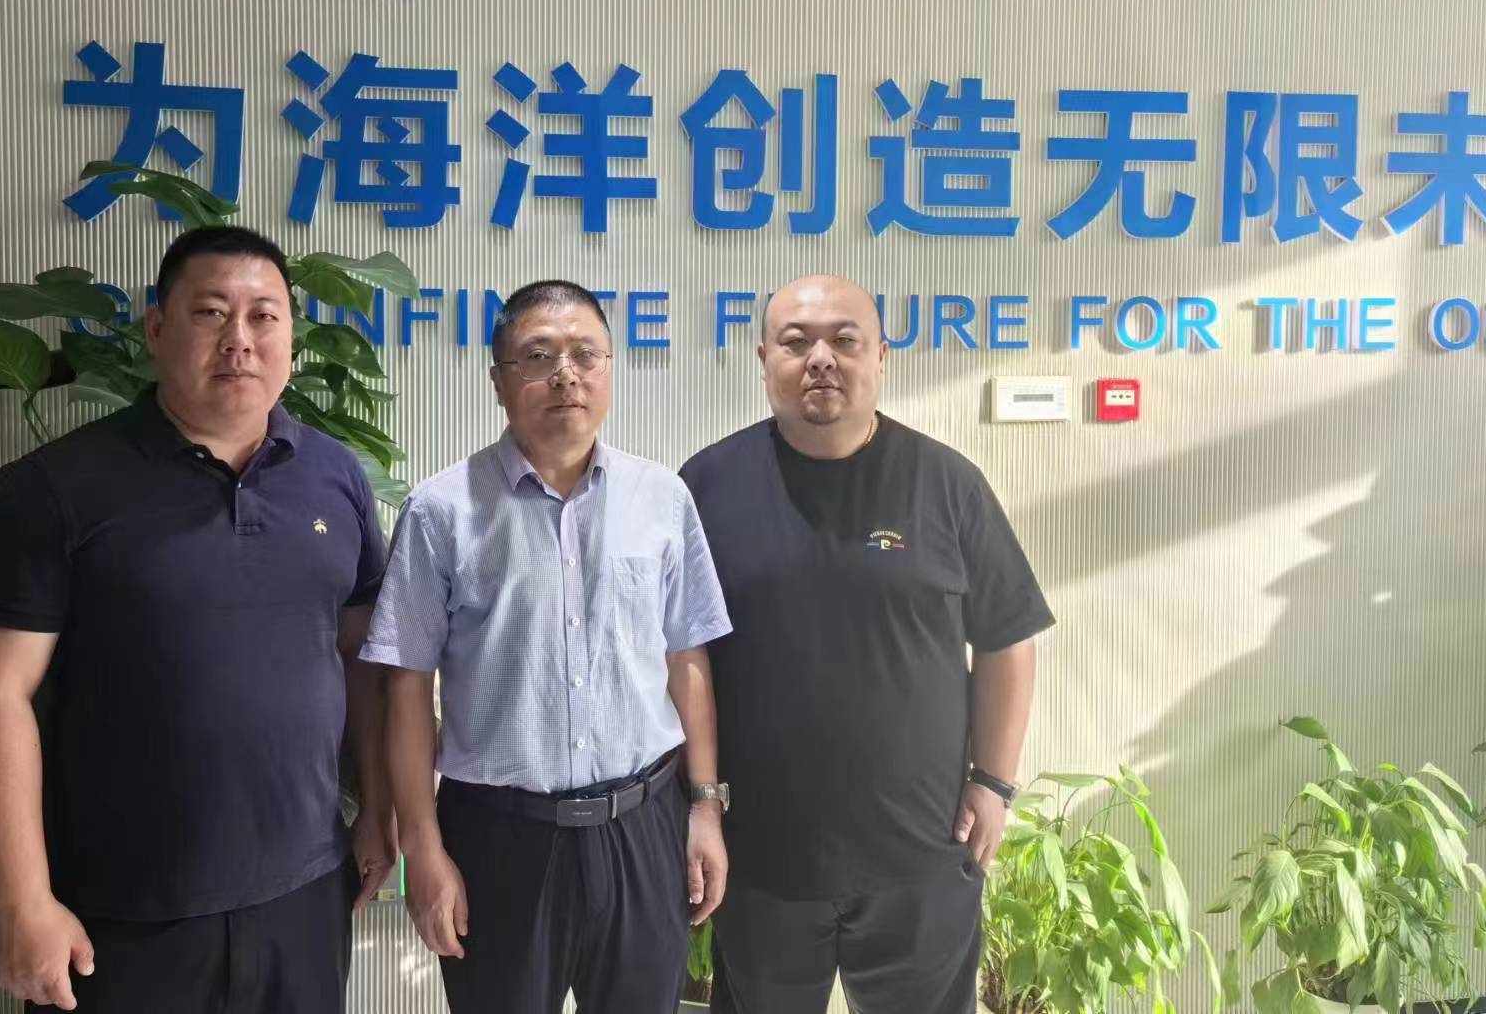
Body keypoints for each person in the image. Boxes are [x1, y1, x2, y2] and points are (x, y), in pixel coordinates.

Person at [0, 226, 393, 1013]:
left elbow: (362, 657)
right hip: (118, 913)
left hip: (303, 899)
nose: (240, 339)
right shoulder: (56, 488)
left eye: (264, 316)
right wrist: (20, 901)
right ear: (156, 328)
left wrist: (379, 809)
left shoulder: (335, 476)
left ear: (292, 338)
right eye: (211, 312)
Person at [680, 274, 1055, 1014]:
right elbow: (683, 656)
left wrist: (993, 781)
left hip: (921, 852)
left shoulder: (947, 483)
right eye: (796, 341)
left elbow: (1008, 637)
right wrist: (702, 803)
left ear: (881, 356)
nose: (821, 358)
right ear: (764, 359)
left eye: (845, 340)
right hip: (763, 857)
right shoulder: (707, 485)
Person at [363, 279, 732, 1014]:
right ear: (500, 381)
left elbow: (686, 659)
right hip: (499, 840)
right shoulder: (441, 511)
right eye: (538, 356)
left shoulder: (662, 499)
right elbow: (405, 688)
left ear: (609, 370)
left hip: (642, 827)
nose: (566, 374)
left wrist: (705, 808)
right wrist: (423, 848)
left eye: (585, 354)